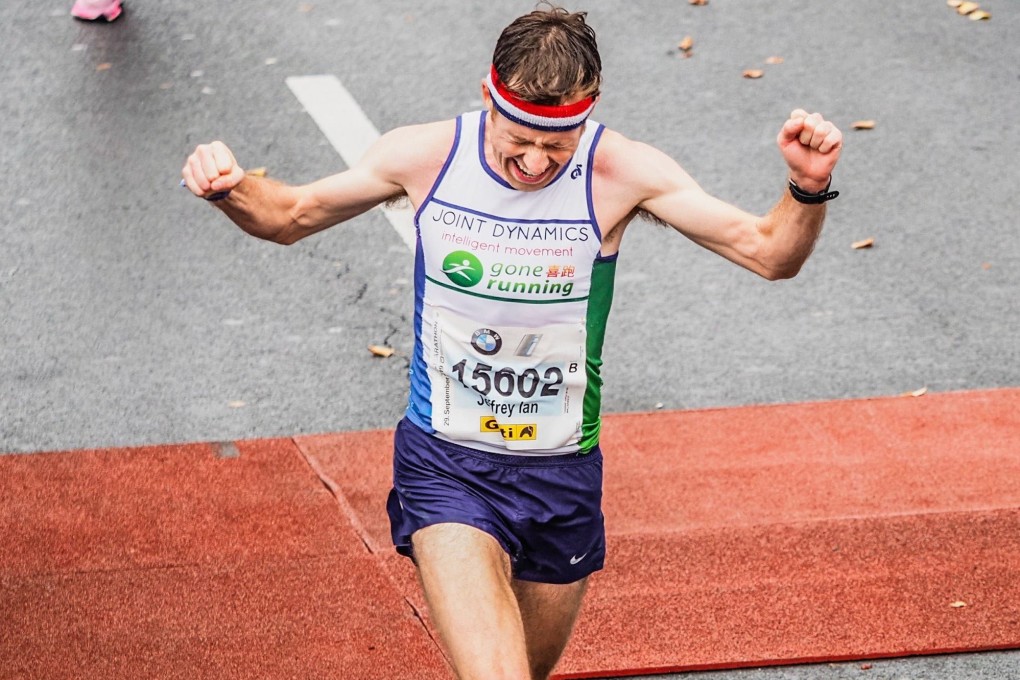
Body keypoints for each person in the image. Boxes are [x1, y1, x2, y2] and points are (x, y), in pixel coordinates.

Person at [181, 6, 842, 679]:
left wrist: (807, 186)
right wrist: (230, 189)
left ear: (589, 114)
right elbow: (288, 215)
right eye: (516, 138)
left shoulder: (624, 173)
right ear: (487, 96)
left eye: (556, 146)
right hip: (447, 468)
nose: (532, 161)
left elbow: (768, 254)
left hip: (563, 476)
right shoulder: (426, 155)